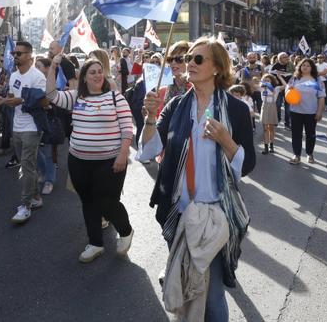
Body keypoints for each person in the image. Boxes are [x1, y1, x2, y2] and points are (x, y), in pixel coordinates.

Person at [140, 37, 256, 321]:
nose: (189, 63)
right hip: (178, 211)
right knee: (185, 287)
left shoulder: (236, 110)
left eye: (198, 59)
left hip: (215, 216)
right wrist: (150, 119)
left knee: (213, 296)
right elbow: (148, 152)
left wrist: (226, 140)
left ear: (217, 67)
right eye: (188, 58)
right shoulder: (176, 106)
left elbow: (247, 165)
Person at [46, 56, 134, 262]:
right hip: (78, 161)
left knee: (107, 201)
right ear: (83, 77)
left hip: (110, 161)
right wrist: (54, 66)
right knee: (88, 201)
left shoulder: (115, 98)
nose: (97, 75)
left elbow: (127, 129)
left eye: (99, 71)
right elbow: (50, 94)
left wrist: (122, 154)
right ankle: (95, 243)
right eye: (92, 72)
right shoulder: (76, 97)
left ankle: (126, 230)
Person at [0, 41, 46, 224]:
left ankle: (25, 206)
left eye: (19, 53)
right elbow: (13, 97)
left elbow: (32, 102)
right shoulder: (14, 74)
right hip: (17, 126)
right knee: (28, 165)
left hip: (32, 127)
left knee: (26, 166)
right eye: (15, 53)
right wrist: (3, 97)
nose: (15, 56)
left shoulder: (37, 76)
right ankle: (36, 198)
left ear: (29, 56)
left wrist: (8, 101)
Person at [286, 58, 326, 165]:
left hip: (311, 112)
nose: (305, 67)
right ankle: (296, 155)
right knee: (296, 134)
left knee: (310, 134)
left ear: (312, 67)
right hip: (296, 111)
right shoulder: (294, 78)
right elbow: (288, 92)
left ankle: (309, 154)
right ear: (299, 67)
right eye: (303, 65)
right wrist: (288, 90)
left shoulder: (317, 80)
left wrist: (319, 112)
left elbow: (321, 97)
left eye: (308, 65)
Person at [33, 57, 57, 195]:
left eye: (39, 66)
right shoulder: (33, 80)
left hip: (49, 121)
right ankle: (43, 172)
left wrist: (45, 104)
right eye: (35, 66)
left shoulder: (51, 82)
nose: (36, 69)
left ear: (47, 69)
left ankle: (49, 180)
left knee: (48, 153)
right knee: (35, 150)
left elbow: (54, 102)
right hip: (34, 121)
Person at [259, 73, 286, 155]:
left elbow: (285, 86)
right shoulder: (262, 88)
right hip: (264, 106)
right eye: (265, 80)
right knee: (265, 128)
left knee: (271, 128)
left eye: (268, 80)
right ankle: (266, 147)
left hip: (272, 107)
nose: (266, 82)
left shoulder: (276, 88)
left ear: (272, 81)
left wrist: (280, 77)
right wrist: (257, 80)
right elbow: (253, 85)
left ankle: (271, 145)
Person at [271, 52, 293, 129]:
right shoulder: (275, 66)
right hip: (279, 89)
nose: (287, 58)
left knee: (288, 107)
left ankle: (287, 124)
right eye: (284, 57)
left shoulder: (291, 65)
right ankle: (278, 119)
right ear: (279, 59)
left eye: (287, 56)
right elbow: (271, 77)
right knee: (278, 105)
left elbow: (295, 75)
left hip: (289, 88)